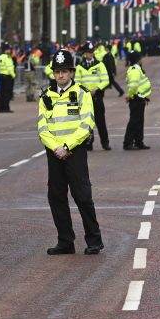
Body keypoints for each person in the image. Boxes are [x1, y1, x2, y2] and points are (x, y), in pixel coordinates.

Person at [40, 49, 104, 255]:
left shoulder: (82, 94)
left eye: (64, 71)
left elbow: (86, 123)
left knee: (83, 196)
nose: (61, 75)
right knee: (56, 197)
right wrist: (55, 148)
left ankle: (94, 240)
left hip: (74, 152)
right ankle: (65, 241)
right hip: (54, 153)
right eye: (57, 71)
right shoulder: (46, 96)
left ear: (72, 72)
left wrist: (67, 146)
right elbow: (42, 127)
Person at [67, 42, 111, 151]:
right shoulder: (80, 67)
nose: (90, 54)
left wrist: (97, 88)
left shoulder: (99, 65)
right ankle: (89, 143)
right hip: (85, 98)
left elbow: (105, 80)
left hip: (97, 97)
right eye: (88, 52)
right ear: (84, 53)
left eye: (91, 52)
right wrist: (85, 91)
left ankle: (105, 143)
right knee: (87, 121)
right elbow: (77, 81)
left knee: (100, 121)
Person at [123, 51, 151, 150]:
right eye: (140, 58)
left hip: (139, 98)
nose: (141, 60)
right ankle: (128, 143)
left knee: (139, 121)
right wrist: (130, 96)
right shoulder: (135, 70)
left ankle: (139, 141)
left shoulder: (136, 69)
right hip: (136, 99)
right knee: (134, 121)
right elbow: (134, 86)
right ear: (137, 59)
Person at [0, 44, 16, 113]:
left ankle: (1, 108)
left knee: (2, 93)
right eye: (9, 49)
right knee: (7, 93)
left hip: (1, 76)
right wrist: (13, 75)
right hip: (8, 77)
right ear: (6, 50)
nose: (10, 51)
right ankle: (6, 108)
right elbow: (10, 67)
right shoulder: (7, 58)